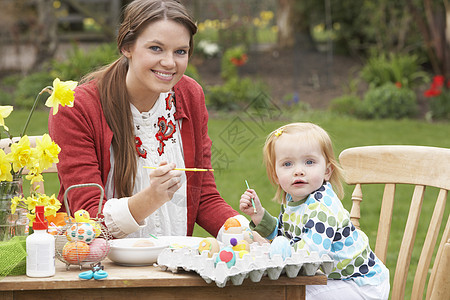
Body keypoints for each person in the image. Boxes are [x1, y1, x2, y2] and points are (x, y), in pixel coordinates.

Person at [48, 0, 250, 241]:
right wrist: (151, 198)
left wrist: (248, 235)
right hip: (99, 267)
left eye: (180, 51)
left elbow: (203, 196)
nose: (169, 62)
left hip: (172, 267)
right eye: (156, 48)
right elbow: (87, 217)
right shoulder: (77, 107)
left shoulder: (189, 95)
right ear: (126, 46)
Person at [239, 122, 390, 300]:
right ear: (276, 176)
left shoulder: (323, 207)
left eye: (309, 162)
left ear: (326, 171)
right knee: (280, 290)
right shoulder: (293, 199)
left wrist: (272, 250)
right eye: (287, 164)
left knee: (293, 294)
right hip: (336, 280)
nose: (299, 171)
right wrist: (259, 215)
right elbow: (285, 234)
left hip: (361, 284)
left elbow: (308, 256)